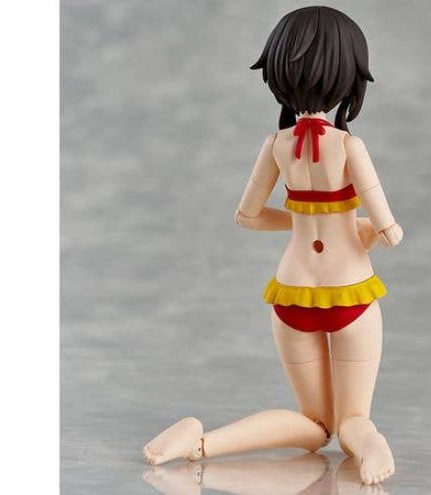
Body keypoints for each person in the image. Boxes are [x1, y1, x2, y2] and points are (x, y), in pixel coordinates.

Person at [144, 6, 403, 485]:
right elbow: (388, 227)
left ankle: (200, 444)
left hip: (291, 294)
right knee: (351, 419)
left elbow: (247, 216)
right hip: (349, 292)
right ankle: (370, 443)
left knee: (315, 425)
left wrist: (304, 220)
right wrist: (367, 228)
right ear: (349, 76)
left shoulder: (276, 144)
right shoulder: (349, 147)